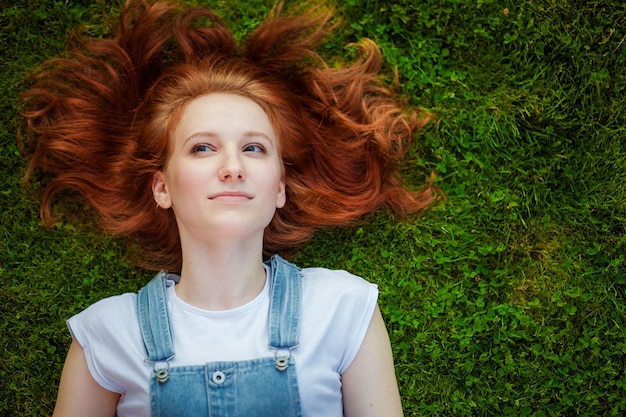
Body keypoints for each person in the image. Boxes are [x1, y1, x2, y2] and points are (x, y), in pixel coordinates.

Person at [20, 1, 436, 416]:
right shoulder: (107, 334)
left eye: (254, 148)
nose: (233, 167)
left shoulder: (342, 308)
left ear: (279, 188)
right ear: (162, 187)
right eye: (202, 147)